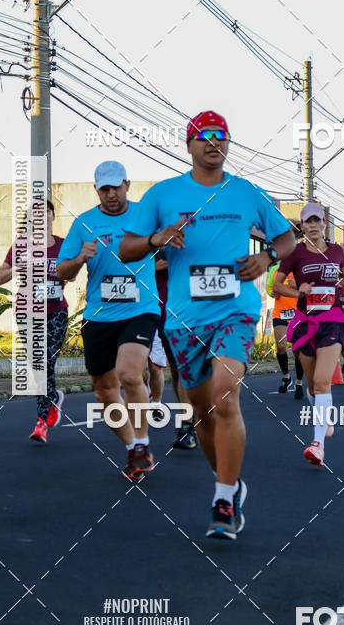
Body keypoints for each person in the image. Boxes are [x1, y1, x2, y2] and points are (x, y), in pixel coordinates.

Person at [120, 111, 295, 539]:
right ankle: (230, 485)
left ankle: (221, 500)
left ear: (228, 143)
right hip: (184, 320)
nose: (213, 142)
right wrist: (156, 239)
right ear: (189, 145)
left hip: (236, 311)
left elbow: (286, 236)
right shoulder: (163, 194)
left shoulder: (246, 192)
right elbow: (126, 248)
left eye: (221, 136)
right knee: (202, 412)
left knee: (225, 395)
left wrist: (267, 257)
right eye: (204, 136)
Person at [56, 161, 161, 479]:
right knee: (104, 391)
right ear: (96, 190)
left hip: (140, 309)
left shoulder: (146, 216)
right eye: (105, 189)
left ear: (127, 184)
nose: (111, 194)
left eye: (116, 187)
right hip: (99, 314)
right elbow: (62, 272)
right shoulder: (84, 224)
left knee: (129, 373)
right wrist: (79, 258)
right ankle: (132, 448)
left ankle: (142, 444)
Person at [274, 202, 344, 467]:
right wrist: (297, 292)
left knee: (322, 381)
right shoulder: (294, 253)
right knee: (312, 387)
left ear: (324, 224)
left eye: (316, 221)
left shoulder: (337, 251)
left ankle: (317, 445)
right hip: (305, 323)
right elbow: (276, 285)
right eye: (307, 221)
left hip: (332, 321)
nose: (312, 225)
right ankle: (325, 417)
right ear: (302, 226)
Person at [0, 199, 68, 443]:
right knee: (40, 364)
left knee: (46, 362)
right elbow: (0, 277)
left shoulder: (63, 245)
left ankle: (46, 412)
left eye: (45, 211)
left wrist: (65, 271)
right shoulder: (21, 245)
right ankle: (45, 413)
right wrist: (20, 265)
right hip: (28, 312)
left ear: (53, 216)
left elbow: (72, 273)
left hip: (56, 312)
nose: (41, 216)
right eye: (35, 213)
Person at [154, 251, 197, 449]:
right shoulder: (148, 248)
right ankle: (189, 420)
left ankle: (187, 426)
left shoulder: (186, 247)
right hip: (160, 314)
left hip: (186, 315)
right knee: (176, 371)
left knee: (183, 368)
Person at [266, 262, 304, 398]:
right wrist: (272, 293)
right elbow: (269, 288)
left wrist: (297, 286)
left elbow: (309, 289)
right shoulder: (275, 269)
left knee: (297, 351)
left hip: (297, 314)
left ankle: (299, 382)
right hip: (280, 314)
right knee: (281, 347)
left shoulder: (299, 268)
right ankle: (286, 376)